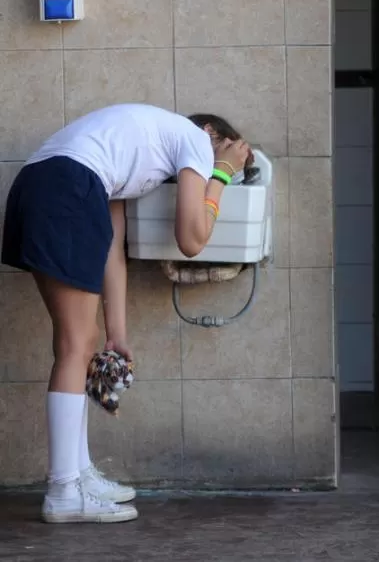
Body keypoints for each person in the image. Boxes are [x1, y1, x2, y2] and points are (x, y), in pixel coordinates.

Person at [1, 104, 251, 524]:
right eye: (213, 155)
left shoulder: (132, 157)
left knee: (78, 344)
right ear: (209, 132)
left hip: (43, 185)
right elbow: (193, 239)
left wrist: (116, 333)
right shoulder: (193, 137)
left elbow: (111, 249)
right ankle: (64, 490)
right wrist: (223, 170)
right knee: (73, 345)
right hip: (66, 187)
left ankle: (77, 476)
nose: (207, 170)